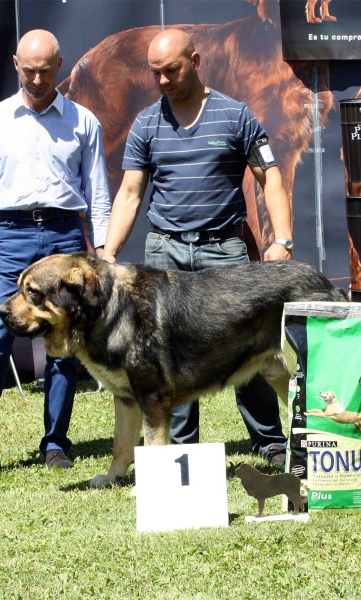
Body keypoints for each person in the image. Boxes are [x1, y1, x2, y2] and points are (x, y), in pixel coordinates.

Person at [102, 29, 292, 466]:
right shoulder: (147, 123)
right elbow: (130, 192)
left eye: (172, 70)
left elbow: (270, 178)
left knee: (250, 348)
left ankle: (271, 442)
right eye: (156, 74)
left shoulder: (236, 115)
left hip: (224, 252)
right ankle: (179, 454)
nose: (164, 80)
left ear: (196, 59)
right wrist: (109, 251)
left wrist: (281, 241)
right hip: (164, 254)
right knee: (166, 356)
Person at [0, 30, 111, 482]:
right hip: (12, 235)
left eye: (45, 69)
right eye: (28, 69)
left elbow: (98, 193)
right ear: (17, 65)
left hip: (64, 236)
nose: (37, 78)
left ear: (59, 66)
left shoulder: (83, 121)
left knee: (62, 348)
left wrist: (102, 254)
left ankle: (56, 442)